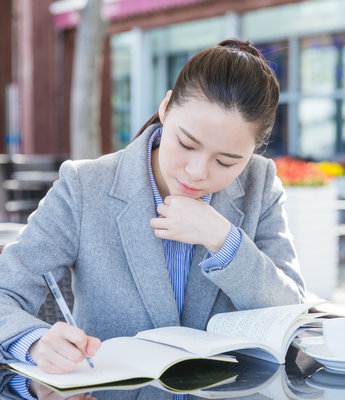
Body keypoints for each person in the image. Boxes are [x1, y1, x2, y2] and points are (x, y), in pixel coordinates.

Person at [0, 39, 306, 398]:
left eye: (226, 162)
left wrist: (225, 241)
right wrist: (36, 344)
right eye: (186, 144)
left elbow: (291, 311)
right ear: (165, 108)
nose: (196, 172)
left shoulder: (260, 184)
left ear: (252, 152)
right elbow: (6, 291)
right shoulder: (85, 186)